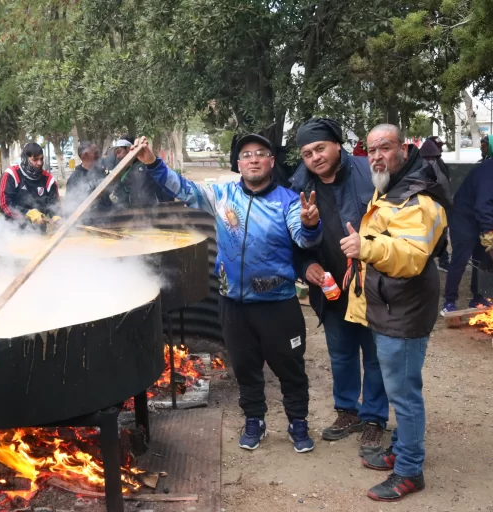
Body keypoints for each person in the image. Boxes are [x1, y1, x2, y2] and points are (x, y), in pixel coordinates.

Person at [133, 133, 323, 454]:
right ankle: (254, 420)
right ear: (238, 164)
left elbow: (304, 241)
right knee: (245, 367)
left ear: (271, 161)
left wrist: (310, 224)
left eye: (260, 153)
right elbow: (182, 188)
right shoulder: (221, 195)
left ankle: (298, 423)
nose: (253, 159)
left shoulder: (289, 201)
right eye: (246, 155)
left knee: (290, 367)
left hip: (278, 305)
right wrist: (152, 162)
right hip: (233, 304)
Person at [342, 124, 451, 501]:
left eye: (384, 148)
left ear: (403, 149)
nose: (376, 156)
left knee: (404, 394)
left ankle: (409, 470)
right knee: (398, 387)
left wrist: (365, 248)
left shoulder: (416, 199)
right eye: (370, 149)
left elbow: (412, 257)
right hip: (392, 304)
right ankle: (402, 449)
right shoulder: (393, 184)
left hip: (405, 309)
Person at [289, 118, 388, 457]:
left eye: (319, 148)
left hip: (374, 283)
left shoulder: (369, 171)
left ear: (336, 144)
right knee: (341, 353)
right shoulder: (297, 188)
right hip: (331, 287)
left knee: (375, 354)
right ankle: (347, 411)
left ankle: (374, 419)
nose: (314, 157)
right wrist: (307, 266)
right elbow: (294, 242)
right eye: (306, 153)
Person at [441, 150, 493, 314]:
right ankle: (449, 301)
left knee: (482, 259)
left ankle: (477, 297)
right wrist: (490, 234)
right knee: (460, 259)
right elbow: (483, 205)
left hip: (480, 219)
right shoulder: (488, 171)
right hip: (463, 218)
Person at [0, 142, 61, 229]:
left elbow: (55, 204)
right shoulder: (11, 174)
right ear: (25, 159)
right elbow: (4, 204)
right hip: (13, 231)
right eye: (35, 160)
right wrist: (26, 213)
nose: (39, 163)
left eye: (41, 159)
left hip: (39, 231)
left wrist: (56, 215)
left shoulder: (48, 179)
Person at [106, 137, 171, 208]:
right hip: (136, 214)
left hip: (154, 210)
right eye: (116, 155)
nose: (117, 156)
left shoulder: (147, 165)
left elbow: (166, 186)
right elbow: (122, 197)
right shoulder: (122, 173)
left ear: (128, 149)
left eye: (119, 151)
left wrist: (166, 209)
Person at [420, 136, 451, 271]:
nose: (441, 149)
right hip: (436, 205)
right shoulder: (434, 163)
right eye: (438, 146)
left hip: (431, 206)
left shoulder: (421, 162)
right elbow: (444, 186)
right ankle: (442, 261)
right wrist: (449, 204)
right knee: (439, 233)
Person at [65, 142, 112, 213]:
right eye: (95, 153)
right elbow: (71, 204)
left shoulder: (101, 172)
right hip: (87, 220)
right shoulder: (75, 178)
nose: (98, 156)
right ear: (85, 155)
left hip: (108, 217)